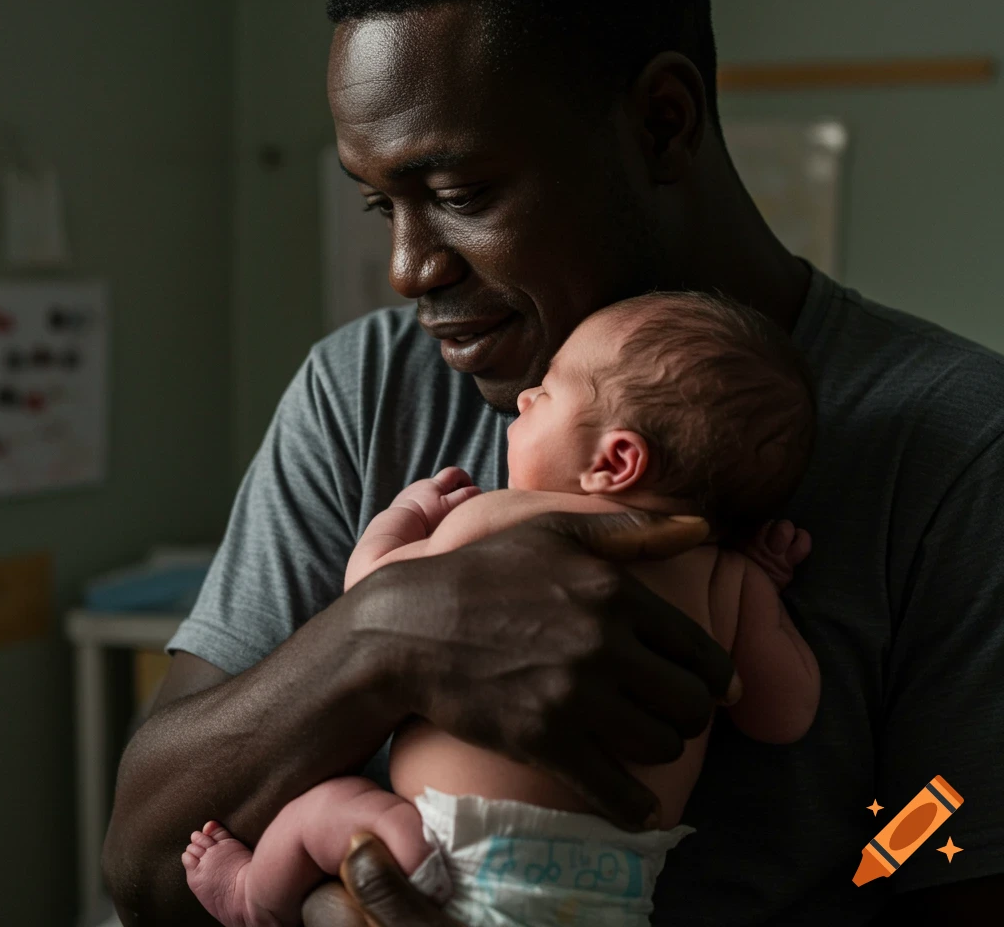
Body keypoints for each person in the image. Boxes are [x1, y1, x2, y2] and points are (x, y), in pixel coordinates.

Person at [103, 0, 1004, 925]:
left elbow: (951, 841)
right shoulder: (363, 389)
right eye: (379, 205)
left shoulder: (960, 447)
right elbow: (143, 860)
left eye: (460, 189)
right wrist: (386, 636)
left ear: (662, 120)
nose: (408, 268)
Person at [178, 292, 819, 927]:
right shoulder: (727, 580)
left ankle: (250, 897)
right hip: (610, 893)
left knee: (329, 808)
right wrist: (763, 589)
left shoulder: (504, 517)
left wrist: (402, 520)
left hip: (443, 861)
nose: (524, 399)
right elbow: (784, 716)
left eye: (550, 390)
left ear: (616, 460)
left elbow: (374, 596)